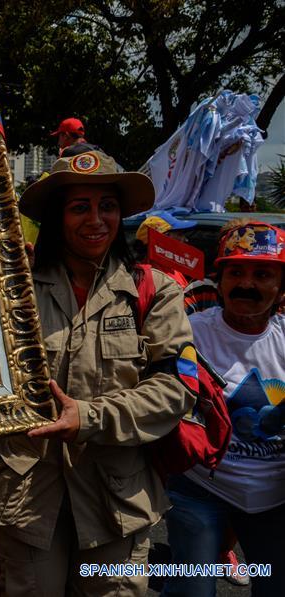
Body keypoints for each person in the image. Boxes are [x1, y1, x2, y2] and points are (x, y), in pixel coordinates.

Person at [0, 150, 196, 596]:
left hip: (117, 499)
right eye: (80, 208)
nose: (96, 219)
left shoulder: (154, 290)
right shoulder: (12, 290)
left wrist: (88, 418)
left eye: (107, 206)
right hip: (29, 497)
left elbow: (177, 388)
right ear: (57, 217)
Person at [162, 221, 285, 597]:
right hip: (199, 488)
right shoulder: (188, 331)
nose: (246, 284)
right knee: (192, 591)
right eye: (235, 272)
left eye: (262, 274)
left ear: (280, 288)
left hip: (274, 497)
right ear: (219, 279)